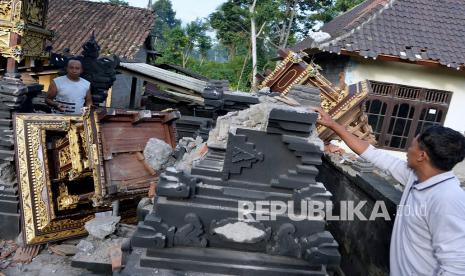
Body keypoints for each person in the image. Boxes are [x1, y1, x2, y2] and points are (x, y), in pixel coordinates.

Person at [314, 107, 465, 275]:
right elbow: (375, 155)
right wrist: (333, 125)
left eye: (412, 146)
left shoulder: (448, 199)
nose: (408, 150)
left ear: (422, 156)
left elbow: (456, 265)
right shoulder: (416, 176)